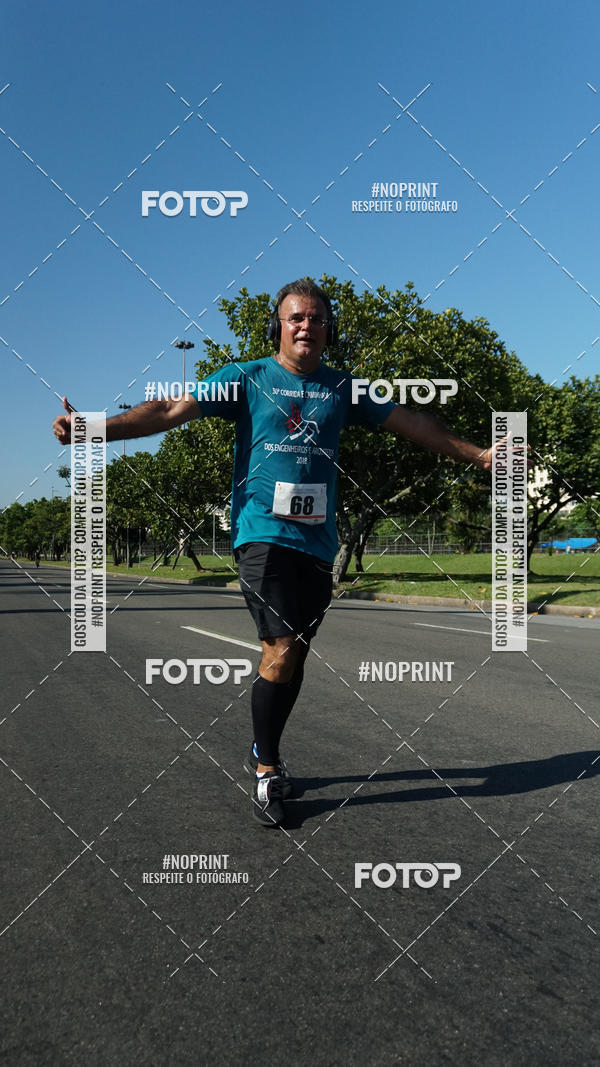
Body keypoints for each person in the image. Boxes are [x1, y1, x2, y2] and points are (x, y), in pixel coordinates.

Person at [53, 278, 497, 828]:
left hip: (317, 543)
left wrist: (480, 456)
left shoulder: (346, 389)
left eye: (316, 318)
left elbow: (413, 422)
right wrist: (94, 427)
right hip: (261, 534)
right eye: (295, 318)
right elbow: (167, 410)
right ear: (278, 327)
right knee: (281, 645)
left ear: (328, 329)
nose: (305, 326)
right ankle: (267, 770)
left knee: (292, 658)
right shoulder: (246, 378)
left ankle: (266, 748)